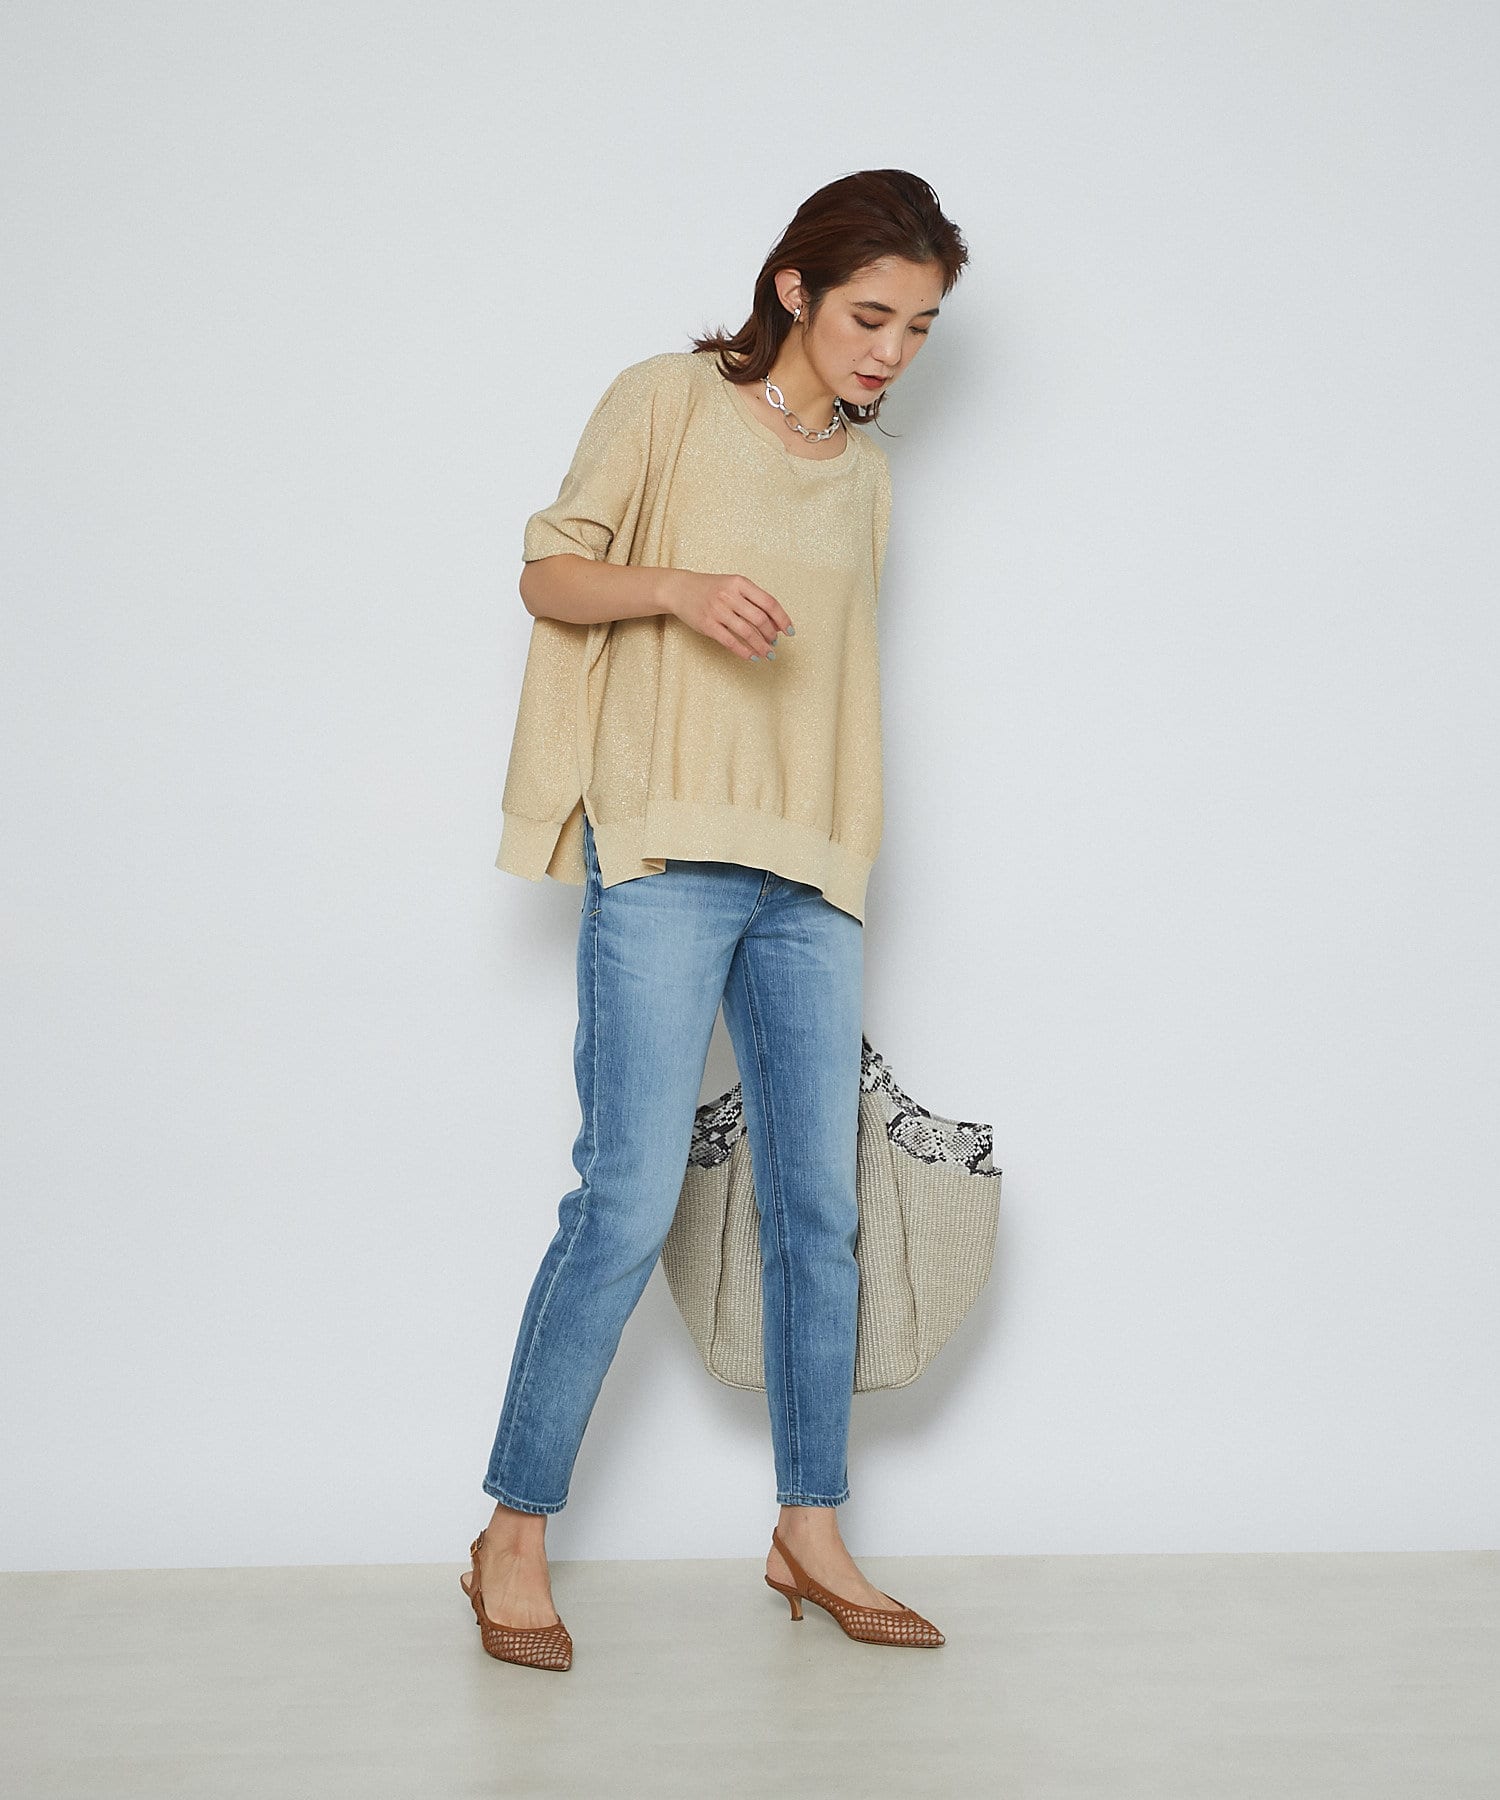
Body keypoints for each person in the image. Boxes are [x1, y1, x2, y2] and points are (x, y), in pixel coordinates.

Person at [460, 170, 969, 1670]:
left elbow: (839, 688)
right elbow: (548, 573)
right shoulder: (668, 402)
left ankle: (809, 1526)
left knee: (822, 1210)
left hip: (812, 868)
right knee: (625, 1202)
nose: (890, 351)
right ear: (795, 289)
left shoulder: (866, 476)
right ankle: (511, 1533)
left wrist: (846, 847)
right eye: (869, 315)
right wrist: (678, 589)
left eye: (920, 328)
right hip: (670, 849)